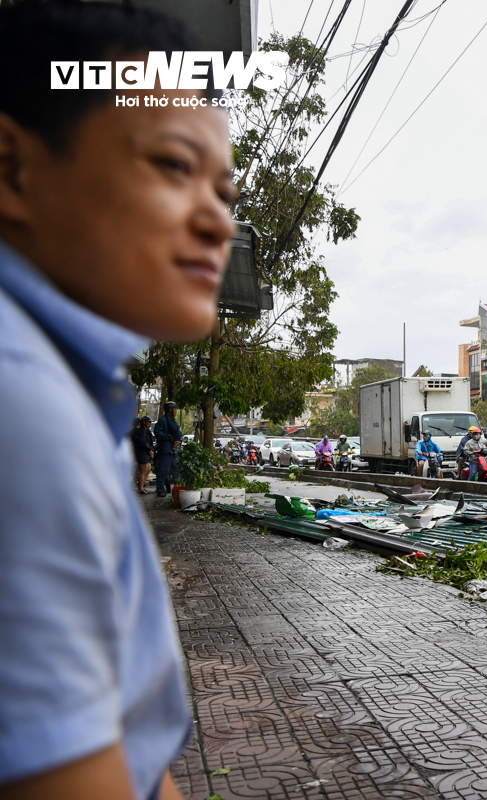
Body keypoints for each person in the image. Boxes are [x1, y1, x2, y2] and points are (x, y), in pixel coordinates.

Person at [0, 4, 234, 797]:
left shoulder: (62, 385)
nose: (217, 221)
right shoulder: (23, 412)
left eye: (225, 190)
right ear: (12, 167)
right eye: (174, 165)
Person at [154, 401, 183, 496]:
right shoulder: (162, 421)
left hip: (173, 449)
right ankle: (160, 489)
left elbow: (177, 432)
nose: (176, 411)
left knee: (176, 470)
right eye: (174, 409)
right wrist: (169, 437)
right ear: (170, 409)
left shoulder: (173, 421)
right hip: (165, 449)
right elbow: (157, 433)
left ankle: (178, 488)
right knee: (163, 471)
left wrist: (179, 440)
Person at [130, 416, 155, 493]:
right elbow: (142, 442)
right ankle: (140, 488)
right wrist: (149, 449)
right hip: (142, 453)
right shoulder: (142, 431)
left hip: (146, 452)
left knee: (147, 470)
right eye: (149, 422)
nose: (150, 424)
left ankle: (142, 487)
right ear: (144, 422)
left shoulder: (146, 431)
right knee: (143, 471)